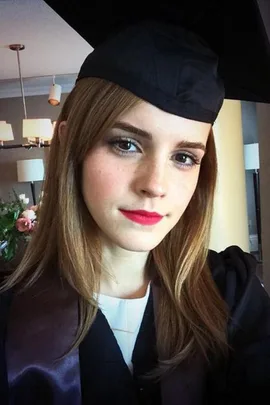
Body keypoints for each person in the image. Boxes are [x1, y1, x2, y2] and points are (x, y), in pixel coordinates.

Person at [0, 19, 270, 405]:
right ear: (70, 144)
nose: (155, 185)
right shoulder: (9, 319)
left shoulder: (231, 294)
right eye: (126, 144)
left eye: (183, 157)